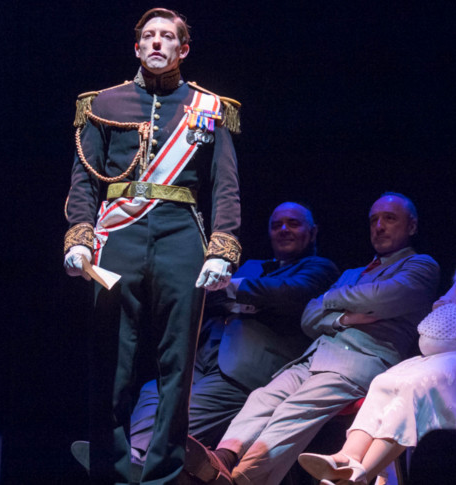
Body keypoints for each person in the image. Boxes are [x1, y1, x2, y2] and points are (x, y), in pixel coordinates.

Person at [62, 8, 242, 484]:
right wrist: (80, 235)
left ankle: (163, 475)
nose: (157, 42)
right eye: (149, 35)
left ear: (184, 48)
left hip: (181, 235)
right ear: (137, 46)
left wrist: (222, 247)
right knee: (111, 362)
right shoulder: (103, 103)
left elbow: (225, 185)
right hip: (118, 235)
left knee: (177, 365)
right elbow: (84, 181)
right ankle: (113, 473)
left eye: (167, 36)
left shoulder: (209, 107)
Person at [296, 186, 456, 485]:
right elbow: (440, 305)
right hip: (453, 350)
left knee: (416, 385)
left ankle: (362, 474)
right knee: (386, 380)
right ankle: (348, 456)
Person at [70, 203, 340, 479]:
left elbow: (292, 293)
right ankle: (135, 456)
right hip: (204, 355)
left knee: (184, 409)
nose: (283, 229)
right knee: (155, 389)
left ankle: (138, 460)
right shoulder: (253, 266)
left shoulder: (321, 267)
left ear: (312, 232)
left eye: (293, 223)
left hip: (243, 369)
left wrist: (232, 289)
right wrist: (247, 300)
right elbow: (208, 298)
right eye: (276, 225)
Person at [186, 193, 440, 485]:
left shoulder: (421, 265)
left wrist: (330, 299)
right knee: (262, 398)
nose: (379, 226)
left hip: (359, 362)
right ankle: (224, 457)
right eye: (374, 220)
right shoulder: (352, 273)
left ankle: (241, 479)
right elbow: (309, 316)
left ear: (412, 226)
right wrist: (343, 318)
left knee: (293, 412)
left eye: (390, 218)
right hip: (313, 358)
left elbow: (384, 296)